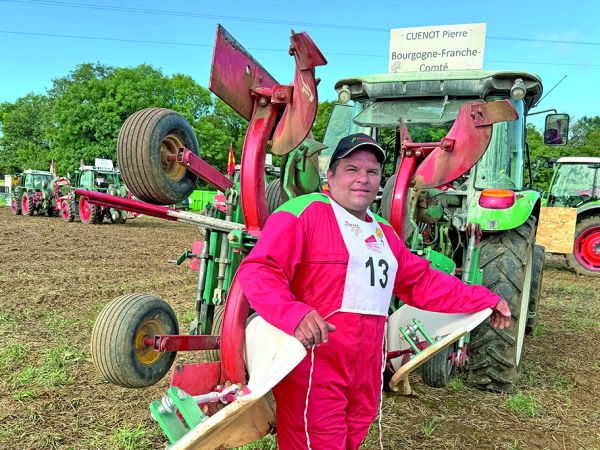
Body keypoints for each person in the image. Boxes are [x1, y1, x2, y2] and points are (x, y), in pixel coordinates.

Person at [236, 133, 511, 450]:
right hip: (316, 367)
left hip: (366, 372)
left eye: (372, 172)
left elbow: (421, 282)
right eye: (352, 169)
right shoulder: (305, 212)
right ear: (331, 175)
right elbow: (259, 270)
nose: (362, 179)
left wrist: (485, 299)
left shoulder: (383, 232)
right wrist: (293, 314)